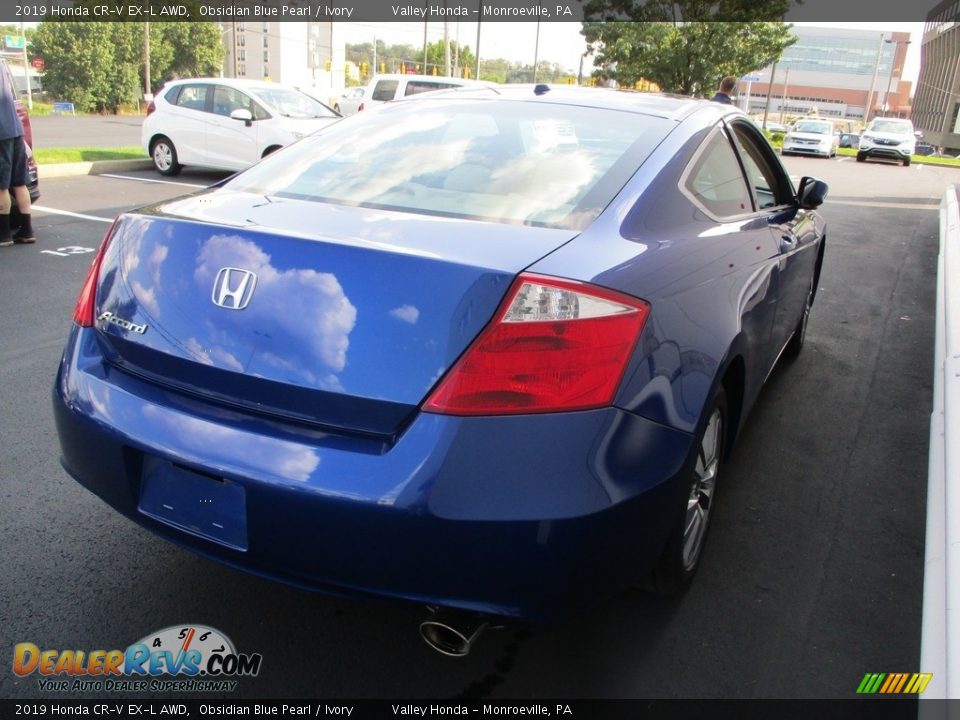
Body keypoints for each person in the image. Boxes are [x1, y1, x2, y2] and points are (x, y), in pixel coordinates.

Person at [0, 66, 34, 247]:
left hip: (1, 134)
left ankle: (4, 233)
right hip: (15, 128)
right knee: (19, 182)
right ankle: (27, 230)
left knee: (1, 186)